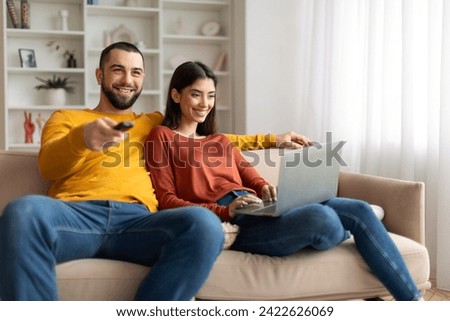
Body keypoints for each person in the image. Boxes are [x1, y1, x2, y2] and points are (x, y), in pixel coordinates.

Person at [0, 42, 306, 301]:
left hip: (139, 220)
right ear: (100, 75)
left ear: (143, 78)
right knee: (23, 211)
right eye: (118, 69)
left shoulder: (153, 123)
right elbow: (49, 165)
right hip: (77, 217)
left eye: (136, 72)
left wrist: (271, 140)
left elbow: (210, 142)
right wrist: (83, 139)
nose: (127, 79)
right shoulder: (66, 117)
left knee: (203, 222)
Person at [145, 61, 424, 301]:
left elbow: (250, 175)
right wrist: (225, 211)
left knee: (360, 209)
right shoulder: (162, 137)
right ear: (176, 95)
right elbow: (167, 200)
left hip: (256, 208)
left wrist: (266, 188)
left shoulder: (219, 140)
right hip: (233, 222)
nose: (205, 104)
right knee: (320, 218)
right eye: (196, 94)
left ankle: (413, 302)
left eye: (211, 96)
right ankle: (342, 228)